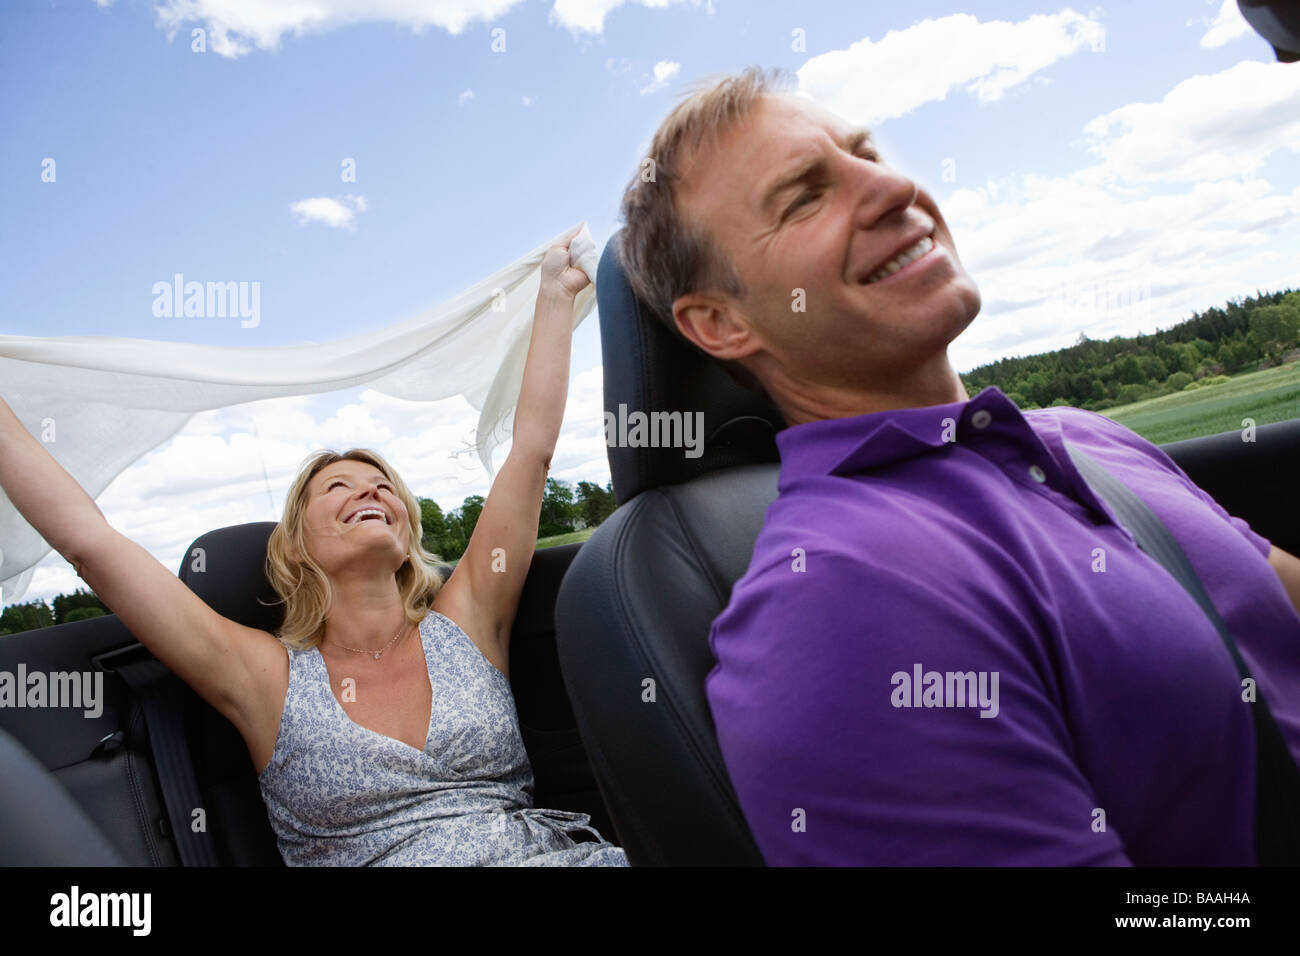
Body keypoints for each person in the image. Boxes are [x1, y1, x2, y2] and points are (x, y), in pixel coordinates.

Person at [616, 65, 1300, 865]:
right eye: (804, 195)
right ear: (721, 323)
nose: (893, 186)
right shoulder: (836, 603)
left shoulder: (1082, 435)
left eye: (867, 153)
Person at [0, 226, 628, 866]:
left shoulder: (469, 621)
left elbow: (530, 453)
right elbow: (90, 543)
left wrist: (556, 295)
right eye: (339, 486)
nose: (373, 491)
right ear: (295, 545)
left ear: (406, 532)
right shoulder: (263, 676)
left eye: (384, 485)